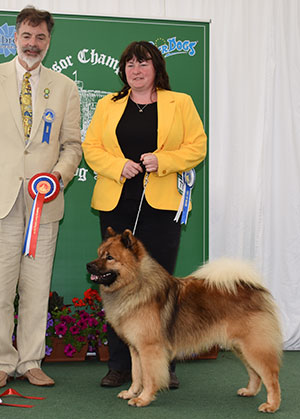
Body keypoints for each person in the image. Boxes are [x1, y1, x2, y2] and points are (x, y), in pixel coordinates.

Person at [82, 41, 207, 389]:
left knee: (162, 289)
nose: (136, 71)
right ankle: (120, 365)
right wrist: (117, 165)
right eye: (130, 65)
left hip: (162, 206)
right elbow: (91, 146)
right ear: (123, 71)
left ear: (157, 69)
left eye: (144, 64)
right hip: (117, 203)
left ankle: (164, 363)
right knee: (114, 284)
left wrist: (163, 161)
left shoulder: (180, 103)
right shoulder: (109, 104)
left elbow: (197, 145)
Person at [0, 7, 82, 388]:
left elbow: (71, 146)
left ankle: (31, 360)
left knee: (35, 289)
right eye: (27, 36)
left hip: (43, 205)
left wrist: (58, 176)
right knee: (0, 289)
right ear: (15, 37)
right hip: (2, 203)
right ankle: (2, 361)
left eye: (41, 38)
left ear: (49, 42)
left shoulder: (65, 87)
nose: (33, 44)